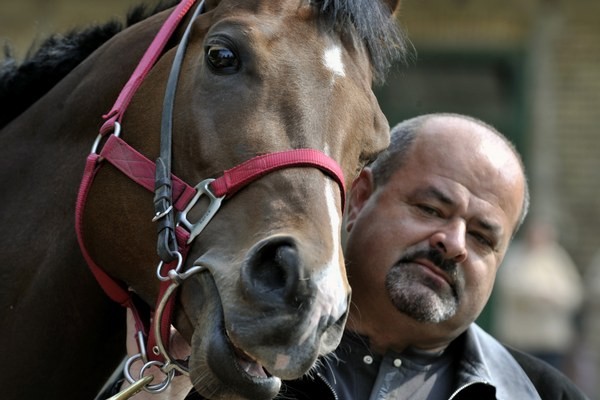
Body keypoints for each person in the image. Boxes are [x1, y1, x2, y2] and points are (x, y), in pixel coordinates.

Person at [103, 113, 588, 399]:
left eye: (483, 238)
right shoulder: (222, 358)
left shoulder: (539, 393)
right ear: (357, 200)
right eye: (430, 208)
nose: (454, 243)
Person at [494, 220, 584, 373]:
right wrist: (538, 296)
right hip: (521, 339)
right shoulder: (516, 256)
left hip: (551, 340)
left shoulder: (557, 258)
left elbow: (575, 293)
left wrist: (553, 298)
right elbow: (510, 286)